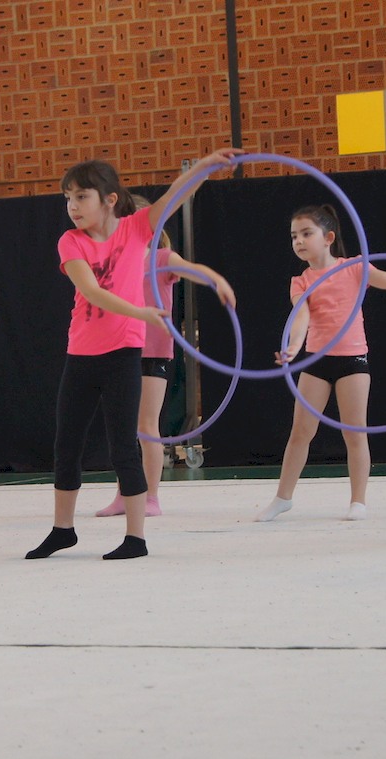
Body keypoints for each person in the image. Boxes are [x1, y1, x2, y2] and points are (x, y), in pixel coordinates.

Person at [27, 148, 240, 561]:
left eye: (81, 197)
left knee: (124, 444)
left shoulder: (137, 229)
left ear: (109, 199)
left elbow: (175, 196)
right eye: (68, 198)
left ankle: (136, 538)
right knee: (66, 444)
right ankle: (62, 530)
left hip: (123, 354)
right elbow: (91, 291)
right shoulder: (70, 241)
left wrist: (205, 166)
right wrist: (141, 312)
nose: (73, 206)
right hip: (81, 354)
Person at [255, 205, 386, 523]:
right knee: (300, 432)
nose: (298, 241)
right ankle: (282, 498)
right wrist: (293, 348)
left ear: (328, 238)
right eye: (294, 236)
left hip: (353, 361)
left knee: (354, 433)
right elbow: (300, 318)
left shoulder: (355, 267)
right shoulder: (300, 281)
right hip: (316, 361)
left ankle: (358, 500)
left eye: (306, 233)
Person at [94, 195, 233, 519]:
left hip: (153, 352)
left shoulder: (162, 258)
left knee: (146, 426)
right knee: (123, 430)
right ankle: (125, 494)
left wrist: (215, 280)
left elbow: (192, 270)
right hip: (120, 349)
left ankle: (151, 497)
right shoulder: (113, 262)